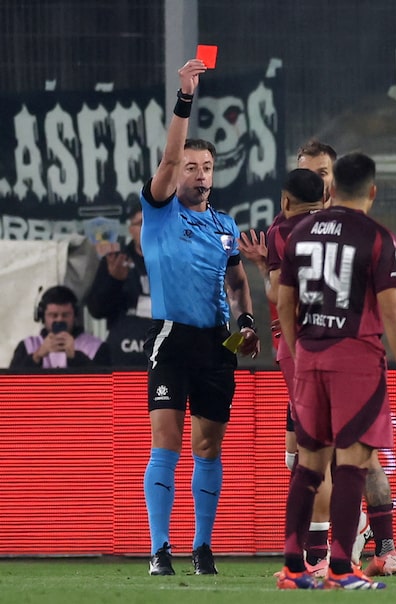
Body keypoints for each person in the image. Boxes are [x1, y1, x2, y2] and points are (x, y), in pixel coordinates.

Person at [275, 152, 396, 590]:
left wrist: (300, 351)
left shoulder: (299, 232)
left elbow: (284, 302)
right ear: (373, 192)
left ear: (331, 188)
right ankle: (341, 568)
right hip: (355, 359)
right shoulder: (376, 237)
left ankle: (292, 568)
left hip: (310, 355)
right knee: (353, 465)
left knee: (308, 466)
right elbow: (392, 310)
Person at [141, 58, 260, 577]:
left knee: (208, 444)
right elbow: (166, 161)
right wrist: (184, 97)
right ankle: (159, 548)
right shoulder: (161, 209)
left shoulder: (226, 225)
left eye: (206, 166)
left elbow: (236, 282)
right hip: (171, 338)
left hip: (216, 344)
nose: (199, 174)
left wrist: (248, 321)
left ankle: (202, 546)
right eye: (191, 166)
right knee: (165, 438)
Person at [238, 167, 334, 576]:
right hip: (342, 343)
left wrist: (263, 268)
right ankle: (332, 546)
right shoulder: (341, 227)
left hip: (299, 346)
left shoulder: (284, 231)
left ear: (285, 200)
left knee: (313, 457)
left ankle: (319, 553)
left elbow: (279, 294)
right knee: (305, 455)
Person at [85, 202, 151, 366]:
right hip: (124, 351)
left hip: (165, 350)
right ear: (130, 229)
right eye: (141, 223)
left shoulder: (176, 261)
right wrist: (114, 281)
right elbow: (96, 309)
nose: (148, 228)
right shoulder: (115, 260)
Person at [10, 285, 111, 368]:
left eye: (65, 315)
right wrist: (37, 356)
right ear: (42, 316)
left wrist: (75, 358)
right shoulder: (28, 346)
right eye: (53, 315)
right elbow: (11, 385)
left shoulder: (95, 346)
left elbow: (104, 385)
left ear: (75, 315)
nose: (59, 320)